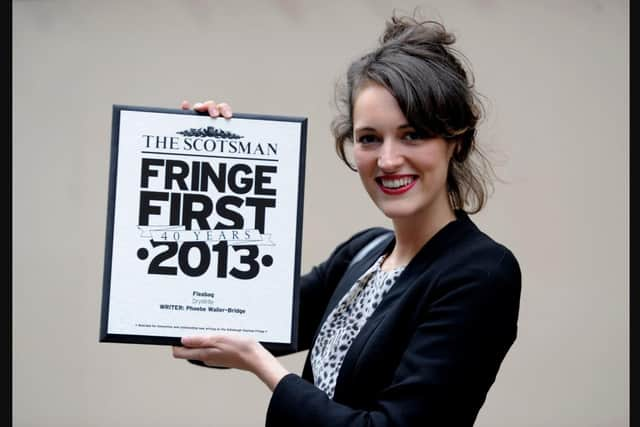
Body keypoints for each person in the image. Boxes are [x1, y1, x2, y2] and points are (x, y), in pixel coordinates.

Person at [172, 13, 521, 427]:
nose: (388, 160)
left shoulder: (480, 273)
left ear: (456, 141)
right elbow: (227, 322)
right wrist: (207, 158)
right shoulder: (364, 252)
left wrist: (263, 367)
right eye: (369, 138)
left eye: (413, 135)